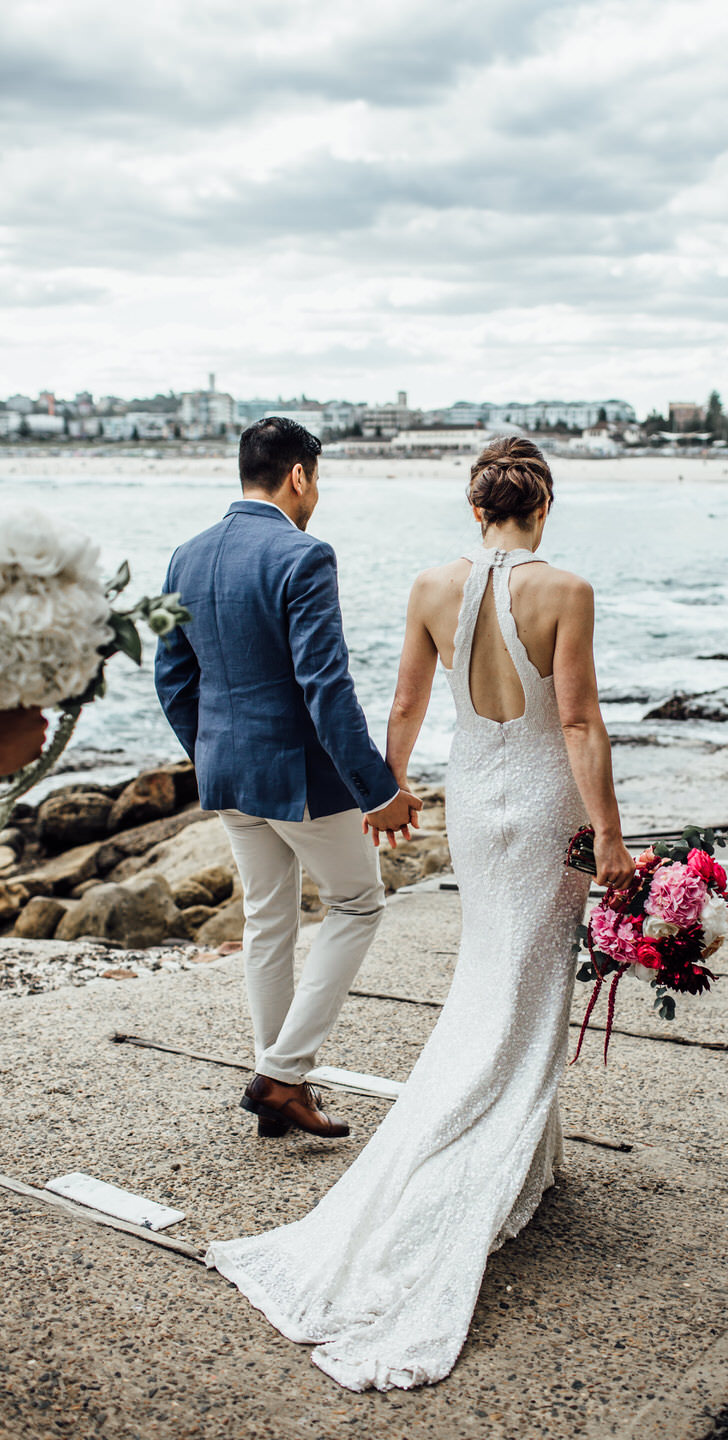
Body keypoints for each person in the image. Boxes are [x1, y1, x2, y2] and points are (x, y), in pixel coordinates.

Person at [206, 435, 634, 1389]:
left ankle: (527, 1160)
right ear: (544, 507)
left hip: (478, 804)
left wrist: (388, 792)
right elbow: (575, 722)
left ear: (474, 508)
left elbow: (401, 703)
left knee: (494, 968)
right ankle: (475, 1155)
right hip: (546, 802)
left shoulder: (432, 587)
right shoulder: (565, 590)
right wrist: (609, 835)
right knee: (525, 984)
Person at [155, 417, 422, 1140]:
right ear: (299, 475)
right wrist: (381, 792)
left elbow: (172, 679)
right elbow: (326, 688)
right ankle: (280, 1073)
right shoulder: (302, 555)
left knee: (267, 921)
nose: (316, 495)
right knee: (359, 904)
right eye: (317, 479)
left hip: (229, 777)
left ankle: (281, 1086)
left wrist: (211, 750)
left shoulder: (187, 556)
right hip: (300, 778)